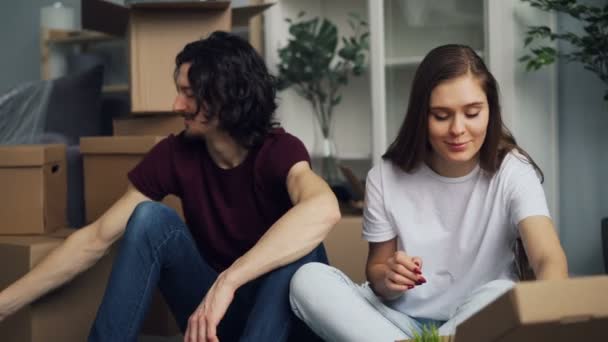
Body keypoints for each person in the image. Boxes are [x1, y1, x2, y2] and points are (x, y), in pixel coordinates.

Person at [0, 31, 340, 342]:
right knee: (149, 218)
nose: (176, 106)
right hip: (217, 320)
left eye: (189, 95)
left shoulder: (279, 150)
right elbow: (94, 239)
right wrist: (3, 304)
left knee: (303, 244)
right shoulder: (174, 154)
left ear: (226, 97)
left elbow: (324, 208)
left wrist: (229, 280)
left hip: (282, 326)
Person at [289, 44, 568, 341]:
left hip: (472, 324)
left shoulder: (513, 171)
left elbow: (548, 258)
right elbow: (377, 270)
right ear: (421, 115)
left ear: (490, 110)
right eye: (441, 115)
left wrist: (544, 316)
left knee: (503, 293)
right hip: (397, 322)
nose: (458, 129)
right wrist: (388, 275)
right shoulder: (385, 176)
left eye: (472, 113)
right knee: (308, 280)